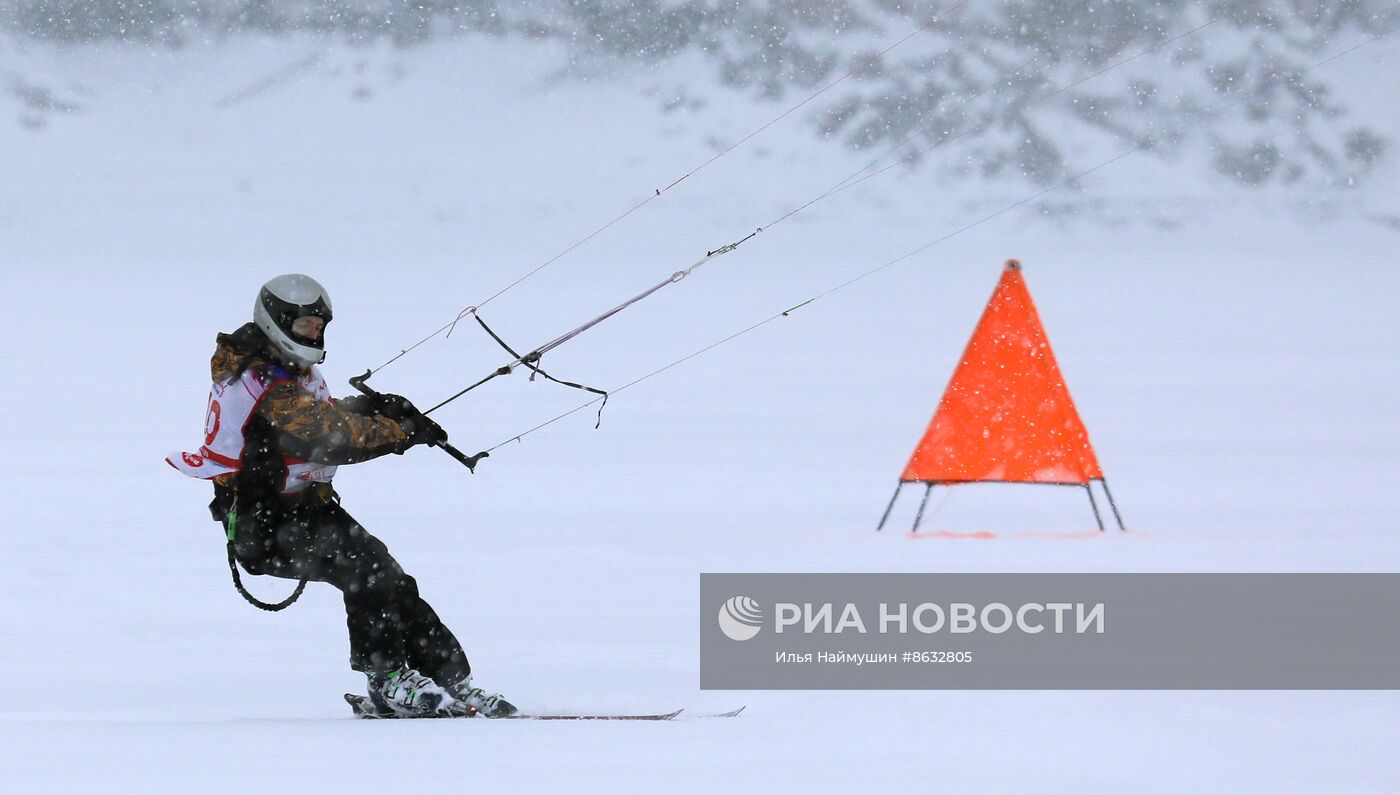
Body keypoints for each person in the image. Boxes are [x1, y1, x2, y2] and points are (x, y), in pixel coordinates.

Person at [167, 274, 515, 718]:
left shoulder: (281, 370)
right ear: (276, 322)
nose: (315, 333)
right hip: (265, 527)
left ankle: (453, 682)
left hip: (305, 512)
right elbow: (325, 437)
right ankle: (388, 680)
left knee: (389, 576)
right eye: (306, 325)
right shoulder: (261, 380)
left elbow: (321, 414)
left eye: (319, 325)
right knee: (365, 570)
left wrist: (375, 408)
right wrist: (401, 432)